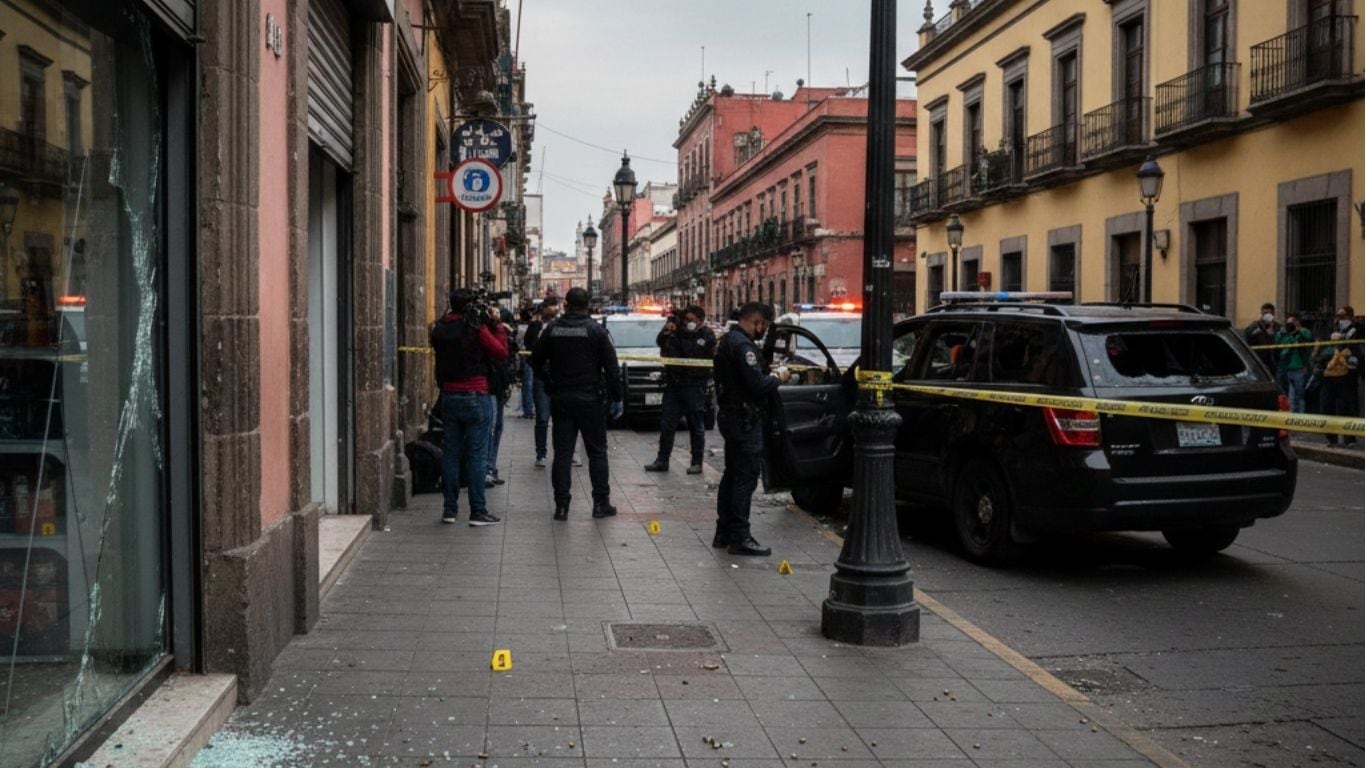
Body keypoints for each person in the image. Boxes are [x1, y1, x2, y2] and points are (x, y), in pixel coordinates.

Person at [532, 287, 623, 521]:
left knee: (562, 453)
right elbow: (612, 369)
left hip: (562, 398)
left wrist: (549, 382)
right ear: (588, 305)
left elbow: (535, 361)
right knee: (597, 453)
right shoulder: (596, 331)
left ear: (566, 305)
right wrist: (617, 397)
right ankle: (600, 503)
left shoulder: (552, 329)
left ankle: (561, 505)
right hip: (591, 399)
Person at [712, 302, 791, 556]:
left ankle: (723, 532)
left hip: (730, 416)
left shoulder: (727, 340)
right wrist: (778, 378)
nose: (763, 332)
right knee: (745, 478)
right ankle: (740, 537)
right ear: (758, 322)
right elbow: (757, 385)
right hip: (744, 419)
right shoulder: (743, 346)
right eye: (764, 327)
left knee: (732, 474)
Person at [430, 288, 508, 526]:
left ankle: (450, 510)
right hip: (475, 394)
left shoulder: (440, 329)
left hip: (449, 396)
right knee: (477, 455)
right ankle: (477, 511)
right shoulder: (475, 328)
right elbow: (501, 352)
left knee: (451, 454)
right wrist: (497, 325)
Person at [645, 305, 716, 475]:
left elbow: (694, 352)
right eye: (686, 320)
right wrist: (667, 330)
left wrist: (686, 334)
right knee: (667, 424)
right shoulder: (676, 331)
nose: (688, 323)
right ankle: (662, 460)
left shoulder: (707, 335)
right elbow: (660, 342)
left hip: (695, 384)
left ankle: (696, 462)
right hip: (674, 384)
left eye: (691, 320)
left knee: (696, 425)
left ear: (700, 320)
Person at [485, 307, 518, 487]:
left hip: (498, 386)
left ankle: (491, 466)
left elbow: (510, 353)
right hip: (488, 386)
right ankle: (486, 469)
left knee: (497, 427)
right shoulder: (487, 333)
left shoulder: (503, 334)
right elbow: (499, 352)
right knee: (490, 428)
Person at [524, 297, 558, 466]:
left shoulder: (561, 328)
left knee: (559, 418)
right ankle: (541, 453)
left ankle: (561, 452)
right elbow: (529, 349)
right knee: (543, 418)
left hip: (559, 378)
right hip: (541, 378)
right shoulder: (535, 328)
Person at [1317, 332, 1358, 446]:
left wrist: (1342, 359)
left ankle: (1349, 439)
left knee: (1345, 410)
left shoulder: (1349, 352)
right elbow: (1320, 365)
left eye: (1339, 340)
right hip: (1328, 382)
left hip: (1344, 382)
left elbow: (1354, 366)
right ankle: (1332, 439)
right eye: (1334, 340)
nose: (1336, 343)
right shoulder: (1327, 352)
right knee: (1327, 409)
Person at [1275, 313, 1312, 413]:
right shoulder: (1284, 334)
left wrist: (1298, 329)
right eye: (1289, 323)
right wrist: (1284, 333)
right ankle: (1292, 416)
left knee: (1300, 395)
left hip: (1299, 368)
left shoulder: (1302, 332)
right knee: (1289, 396)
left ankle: (1300, 416)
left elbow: (1309, 336)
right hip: (1286, 369)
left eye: (1293, 323)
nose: (1290, 325)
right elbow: (1277, 344)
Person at [1245, 302, 1280, 374]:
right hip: (1260, 358)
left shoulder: (1278, 326)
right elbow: (1248, 334)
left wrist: (1271, 329)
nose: (1267, 315)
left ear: (1273, 314)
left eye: (1269, 313)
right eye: (1265, 313)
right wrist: (1260, 326)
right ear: (1261, 313)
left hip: (1274, 358)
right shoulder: (1255, 325)